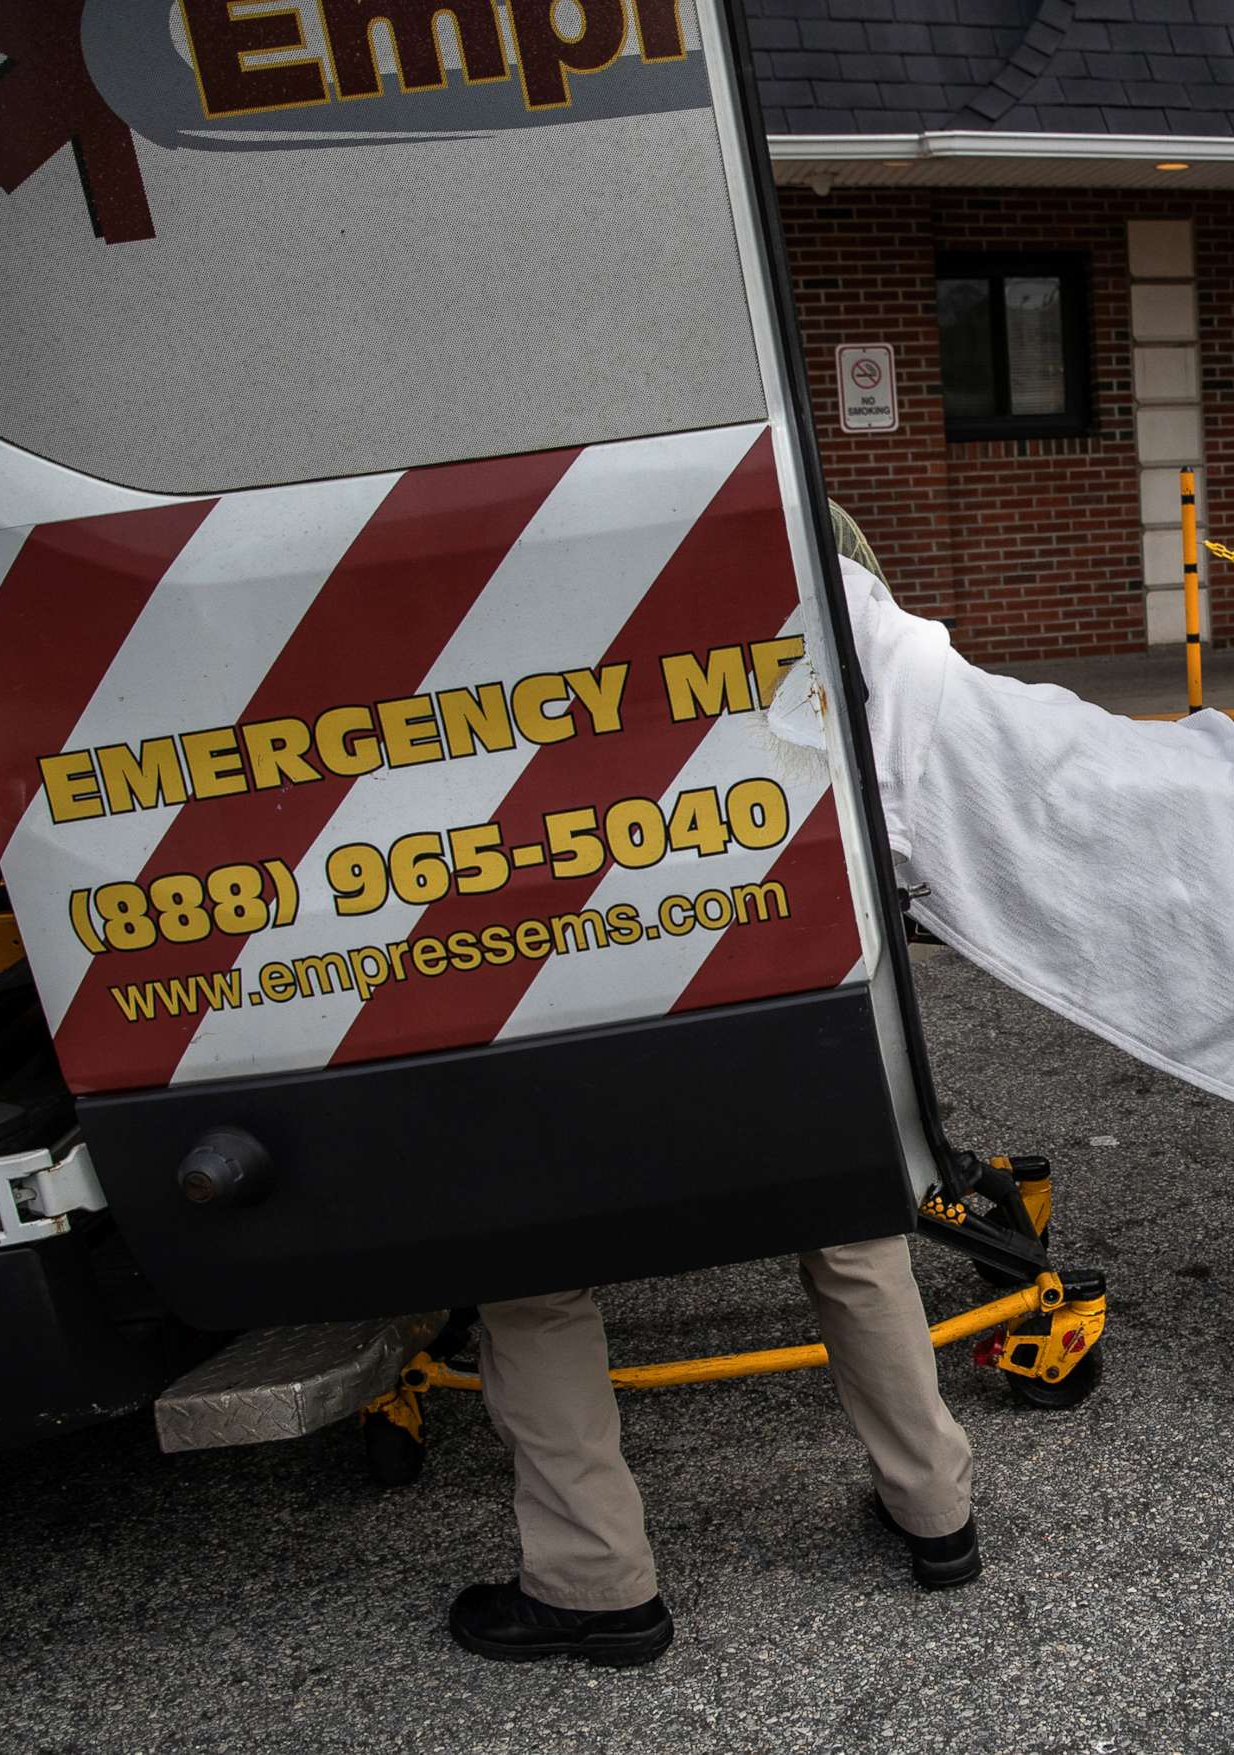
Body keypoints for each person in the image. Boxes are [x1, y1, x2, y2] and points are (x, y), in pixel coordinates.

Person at [448, 508, 984, 1668]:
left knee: (533, 1269)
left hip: (549, 912)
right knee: (846, 1222)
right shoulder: (791, 492)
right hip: (768, 890)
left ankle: (597, 1583)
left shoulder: (462, 512)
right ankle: (935, 1512)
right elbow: (881, 668)